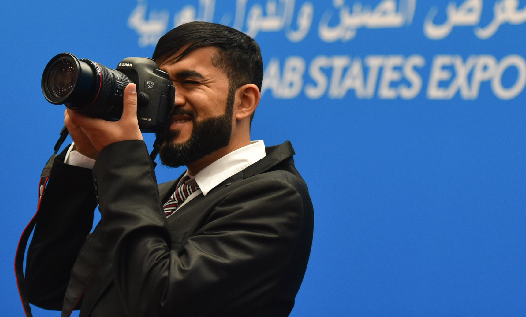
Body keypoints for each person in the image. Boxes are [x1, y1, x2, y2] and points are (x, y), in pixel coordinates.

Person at [24, 22, 314, 316]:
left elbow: (160, 301)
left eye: (190, 82)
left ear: (244, 101)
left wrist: (123, 154)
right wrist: (86, 157)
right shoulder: (159, 197)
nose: (172, 100)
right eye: (164, 85)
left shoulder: (275, 197)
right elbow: (51, 287)